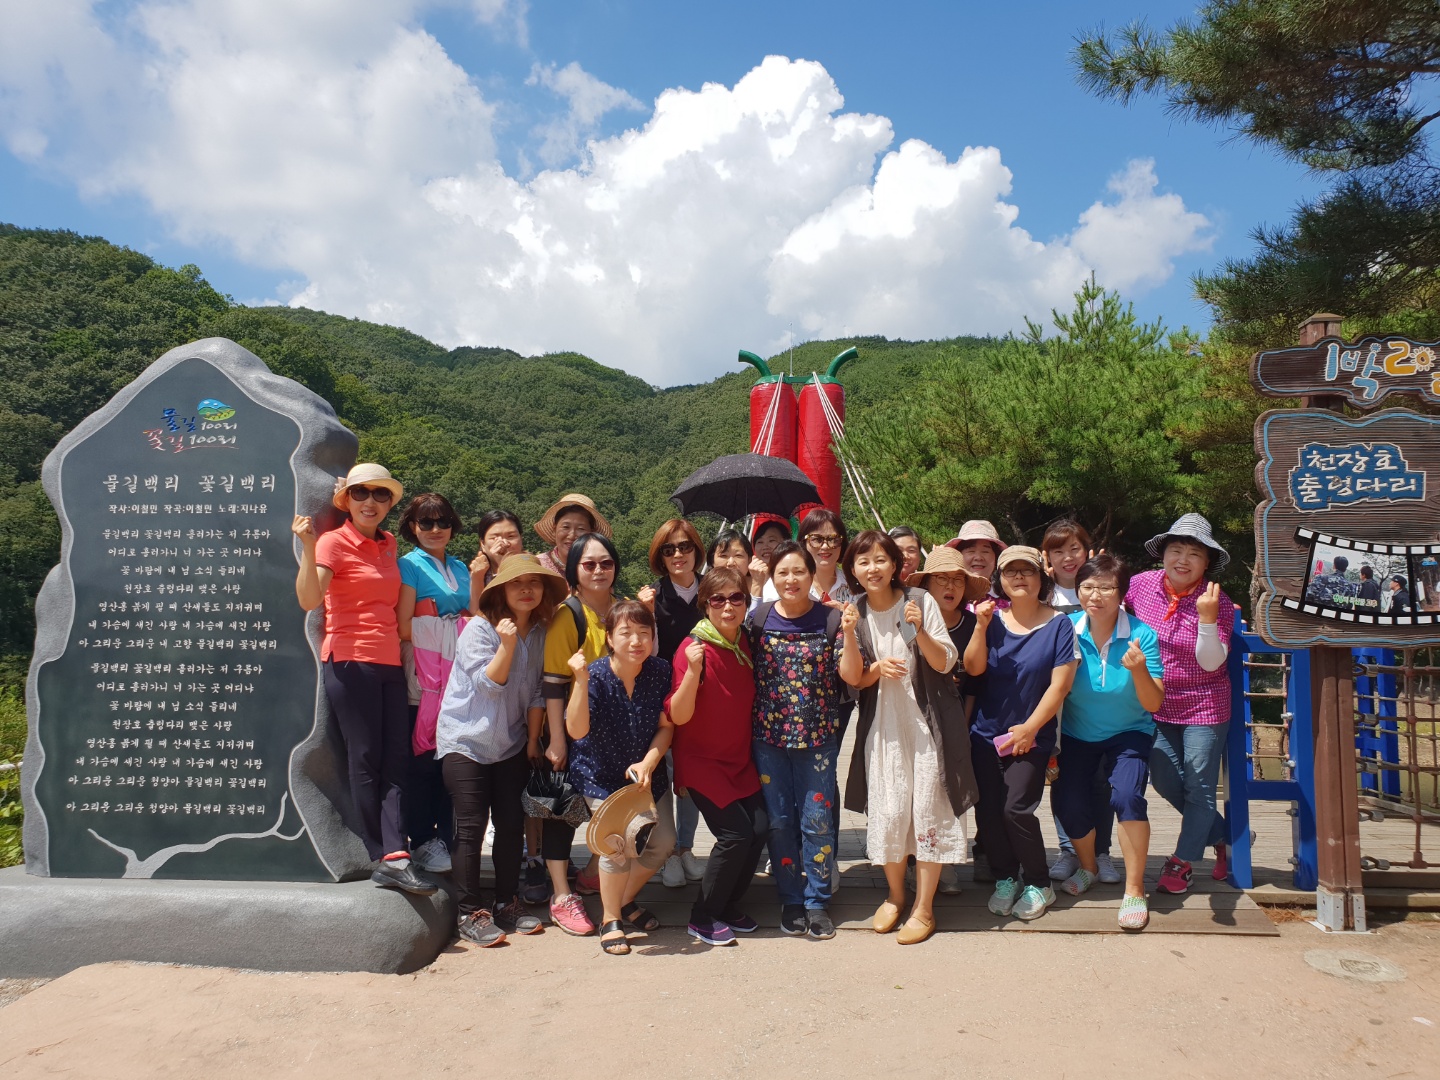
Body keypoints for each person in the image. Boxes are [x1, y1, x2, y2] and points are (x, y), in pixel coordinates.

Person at [293, 464, 432, 895]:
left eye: (380, 494)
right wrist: (308, 545)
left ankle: (397, 852)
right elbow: (309, 599)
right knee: (366, 758)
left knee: (396, 759)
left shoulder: (389, 544)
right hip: (350, 662)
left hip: (389, 662)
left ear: (390, 504)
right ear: (347, 500)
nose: (370, 501)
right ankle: (386, 855)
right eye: (360, 493)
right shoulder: (333, 542)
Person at [840, 531, 976, 945]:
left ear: (895, 564)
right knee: (891, 808)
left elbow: (946, 662)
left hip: (928, 727)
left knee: (930, 811)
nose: (873, 568)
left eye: (881, 559)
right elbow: (853, 678)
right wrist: (869, 660)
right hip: (884, 728)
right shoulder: (856, 611)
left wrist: (920, 630)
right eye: (864, 562)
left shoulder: (920, 601)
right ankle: (896, 895)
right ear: (853, 570)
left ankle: (924, 907)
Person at [435, 554, 564, 946]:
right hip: (465, 741)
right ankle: (469, 911)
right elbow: (490, 686)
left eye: (534, 583)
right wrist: (506, 644)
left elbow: (539, 691)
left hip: (510, 741)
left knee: (511, 824)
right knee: (471, 826)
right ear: (500, 591)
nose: (526, 590)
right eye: (516, 583)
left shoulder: (541, 631)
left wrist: (533, 739)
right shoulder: (479, 628)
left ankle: (507, 902)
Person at [964, 545, 1077, 921]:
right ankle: (1005, 877)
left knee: (1016, 809)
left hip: (1032, 736)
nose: (1019, 577)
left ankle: (1039, 882)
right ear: (1000, 580)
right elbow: (973, 669)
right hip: (985, 735)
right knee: (988, 811)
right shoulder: (990, 620)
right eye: (1010, 571)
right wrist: (980, 627)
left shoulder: (1059, 625)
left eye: (1027, 571)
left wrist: (1031, 728)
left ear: (1041, 578)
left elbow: (1060, 686)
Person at [1126, 513, 1235, 893]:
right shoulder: (1140, 585)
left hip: (1205, 704)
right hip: (1155, 702)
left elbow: (1211, 661)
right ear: (1163, 554)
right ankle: (1225, 838)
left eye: (1194, 554)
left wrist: (1207, 620)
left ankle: (1183, 862)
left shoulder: (1217, 601)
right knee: (1164, 779)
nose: (1183, 560)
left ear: (1207, 563)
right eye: (1176, 550)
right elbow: (1104, 610)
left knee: (1199, 785)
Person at [1056, 554, 1165, 929]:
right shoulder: (1065, 628)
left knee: (1127, 797)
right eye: (1087, 586)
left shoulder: (1142, 635)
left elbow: (1153, 703)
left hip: (1129, 731)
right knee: (1068, 803)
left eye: (1105, 588)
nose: (1095, 595)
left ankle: (1135, 889)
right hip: (1076, 732)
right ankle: (1088, 867)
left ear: (1122, 593)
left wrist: (1139, 670)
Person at [565, 601, 676, 956]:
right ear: (610, 638)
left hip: (645, 776)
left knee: (662, 843)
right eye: (626, 633)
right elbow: (576, 730)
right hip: (601, 776)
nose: (636, 641)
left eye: (644, 633)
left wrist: (649, 762)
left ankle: (624, 899)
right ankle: (610, 918)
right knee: (615, 848)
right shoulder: (596, 674)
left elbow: (666, 727)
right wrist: (580, 681)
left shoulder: (660, 670)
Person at [747, 540, 846, 939]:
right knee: (779, 822)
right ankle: (790, 898)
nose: (791, 579)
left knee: (817, 821)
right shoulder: (758, 618)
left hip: (818, 738)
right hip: (768, 739)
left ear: (811, 574)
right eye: (782, 572)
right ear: (773, 577)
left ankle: (817, 901)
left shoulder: (831, 619)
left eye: (799, 571)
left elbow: (848, 673)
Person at [666, 568, 766, 946]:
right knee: (735, 834)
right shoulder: (693, 648)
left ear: (746, 602)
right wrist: (693, 671)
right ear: (705, 604)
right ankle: (703, 915)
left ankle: (726, 904)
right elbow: (678, 715)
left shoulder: (744, 640)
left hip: (738, 760)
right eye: (718, 599)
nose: (728, 606)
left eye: (736, 598)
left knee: (760, 828)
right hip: (702, 762)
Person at [538, 532, 620, 934]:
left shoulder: (623, 610)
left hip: (612, 734)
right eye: (589, 564)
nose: (599, 570)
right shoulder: (567, 614)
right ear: (574, 570)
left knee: (615, 812)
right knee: (560, 813)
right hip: (570, 730)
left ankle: (590, 876)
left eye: (606, 563)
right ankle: (560, 896)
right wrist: (556, 740)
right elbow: (553, 683)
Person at [395, 493, 475, 875]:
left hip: (457, 676)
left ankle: (446, 837)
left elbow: (474, 616)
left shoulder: (460, 566)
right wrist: (449, 624)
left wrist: (443, 620)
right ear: (413, 527)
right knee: (423, 761)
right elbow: (403, 626)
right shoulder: (409, 565)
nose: (435, 529)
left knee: (450, 759)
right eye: (425, 522)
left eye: (443, 521)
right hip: (423, 675)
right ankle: (423, 840)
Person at [1039, 518, 1120, 886]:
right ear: (1047, 557)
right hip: (1056, 702)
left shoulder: (1106, 589)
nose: (1068, 557)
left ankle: (1101, 852)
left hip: (1098, 701)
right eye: (1058, 550)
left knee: (1101, 780)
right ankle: (1068, 849)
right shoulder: (1042, 595)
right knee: (1061, 777)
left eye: (1074, 548)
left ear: (1088, 551)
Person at [909, 546, 990, 896]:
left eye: (957, 580)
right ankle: (912, 860)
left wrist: (962, 725)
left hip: (957, 721)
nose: (950, 586)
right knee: (915, 793)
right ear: (926, 584)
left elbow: (975, 683)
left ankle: (943, 863)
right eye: (941, 579)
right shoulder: (910, 619)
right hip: (914, 720)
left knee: (948, 790)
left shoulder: (972, 625)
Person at [637, 518, 707, 890]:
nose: (678, 554)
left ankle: (685, 847)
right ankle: (666, 854)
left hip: (704, 698)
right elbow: (644, 653)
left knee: (690, 777)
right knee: (664, 773)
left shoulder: (711, 592)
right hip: (662, 699)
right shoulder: (653, 597)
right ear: (659, 557)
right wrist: (647, 613)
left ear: (697, 550)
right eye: (669, 549)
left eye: (684, 546)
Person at [763, 508, 853, 606]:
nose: (825, 546)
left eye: (832, 539)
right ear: (803, 543)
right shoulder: (782, 584)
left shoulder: (854, 584)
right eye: (817, 539)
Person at [534, 493, 611, 577]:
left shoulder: (599, 570)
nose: (572, 536)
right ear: (554, 529)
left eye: (581, 529)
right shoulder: (537, 567)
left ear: (592, 533)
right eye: (566, 527)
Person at [946, 519, 1007, 609]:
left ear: (996, 557)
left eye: (985, 551)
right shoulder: (946, 596)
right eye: (971, 551)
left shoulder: (1009, 597)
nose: (978, 557)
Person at [472, 510, 526, 586]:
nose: (504, 543)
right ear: (483, 544)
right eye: (495, 538)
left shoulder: (534, 570)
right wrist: (478, 577)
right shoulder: (474, 576)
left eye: (511, 536)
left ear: (521, 539)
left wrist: (502, 564)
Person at [708, 528, 760, 605]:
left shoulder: (765, 590)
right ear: (712, 560)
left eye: (738, 555)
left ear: (749, 560)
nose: (731, 563)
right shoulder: (704, 590)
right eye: (723, 555)